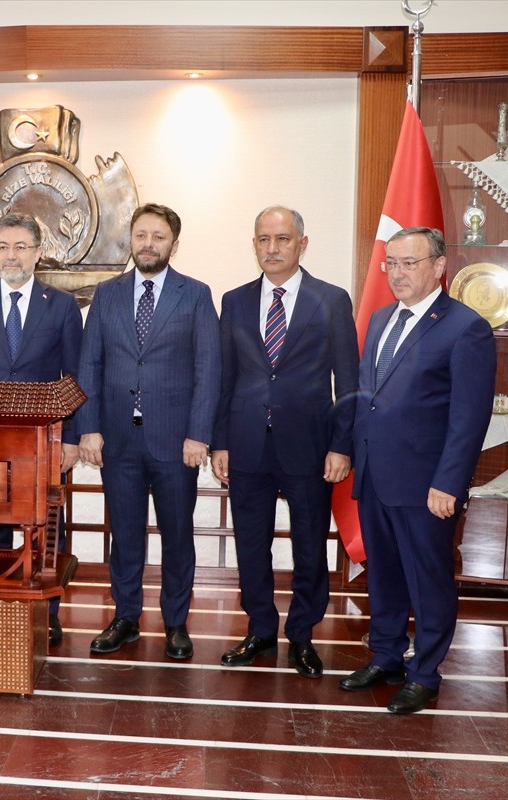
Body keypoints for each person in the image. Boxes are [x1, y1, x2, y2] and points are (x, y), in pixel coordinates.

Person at [340, 226, 495, 713]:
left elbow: (470, 417)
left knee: (428, 582)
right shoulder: (382, 318)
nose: (398, 273)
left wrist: (448, 481)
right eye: (392, 263)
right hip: (374, 474)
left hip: (427, 486)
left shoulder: (465, 327)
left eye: (411, 263)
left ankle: (425, 672)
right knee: (383, 576)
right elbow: (369, 400)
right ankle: (386, 655)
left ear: (439, 266)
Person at [211, 206, 358, 678]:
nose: (271, 248)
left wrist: (342, 445)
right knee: (251, 544)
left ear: (302, 243)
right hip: (247, 442)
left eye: (281, 239)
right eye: (262, 240)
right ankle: (259, 629)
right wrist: (220, 443)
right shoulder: (234, 301)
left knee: (310, 546)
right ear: (254, 245)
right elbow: (224, 378)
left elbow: (348, 379)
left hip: (310, 447)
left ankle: (302, 635)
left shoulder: (331, 300)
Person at [76, 203, 220, 660]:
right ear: (130, 240)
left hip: (176, 442)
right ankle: (126, 617)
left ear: (174, 245)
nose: (148, 244)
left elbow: (208, 368)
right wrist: (89, 428)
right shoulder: (107, 294)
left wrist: (199, 433)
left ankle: (176, 622)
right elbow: (90, 364)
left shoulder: (195, 294)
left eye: (158, 237)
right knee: (125, 533)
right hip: (117, 439)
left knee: (178, 533)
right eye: (141, 235)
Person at [0, 211, 83, 645]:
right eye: (3, 246)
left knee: (46, 526)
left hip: (44, 444)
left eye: (21, 247)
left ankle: (47, 611)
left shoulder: (62, 306)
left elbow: (73, 379)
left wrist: (72, 439)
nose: (11, 255)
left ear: (38, 253)